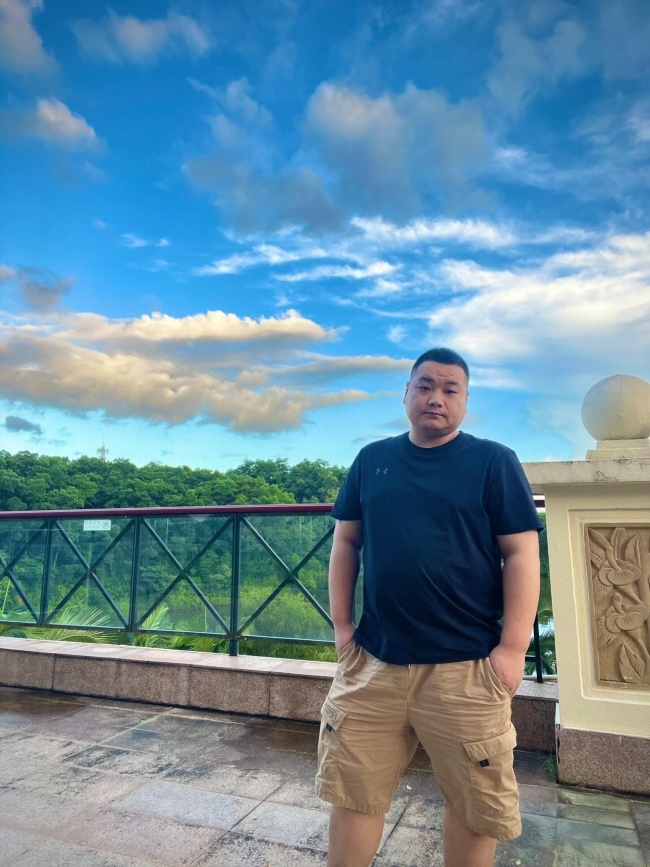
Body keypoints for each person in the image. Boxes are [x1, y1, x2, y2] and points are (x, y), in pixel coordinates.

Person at [315, 347, 542, 867]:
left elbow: (521, 553)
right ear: (406, 394)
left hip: (467, 668)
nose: (436, 398)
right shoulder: (372, 460)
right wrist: (343, 627)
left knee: (475, 805)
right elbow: (346, 543)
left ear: (465, 400)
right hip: (373, 662)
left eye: (449, 389)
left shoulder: (493, 461)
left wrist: (512, 649)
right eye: (425, 386)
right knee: (353, 793)